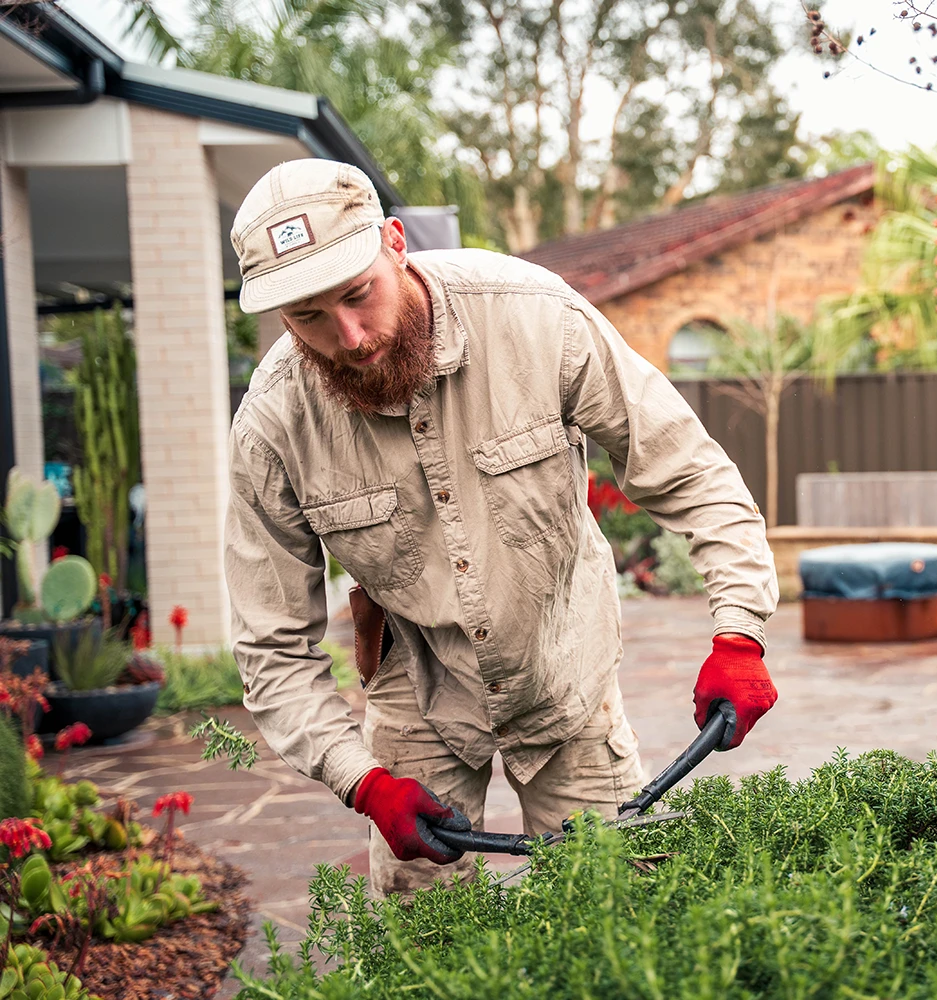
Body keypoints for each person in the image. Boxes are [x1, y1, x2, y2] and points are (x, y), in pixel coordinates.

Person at [223, 159, 779, 897]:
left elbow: (688, 470)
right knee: (419, 959)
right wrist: (362, 783)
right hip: (417, 695)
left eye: (358, 296)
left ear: (394, 244)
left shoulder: (536, 317)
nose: (350, 337)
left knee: (614, 917)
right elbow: (271, 649)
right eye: (308, 318)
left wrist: (739, 632)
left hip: (566, 673)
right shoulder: (272, 426)